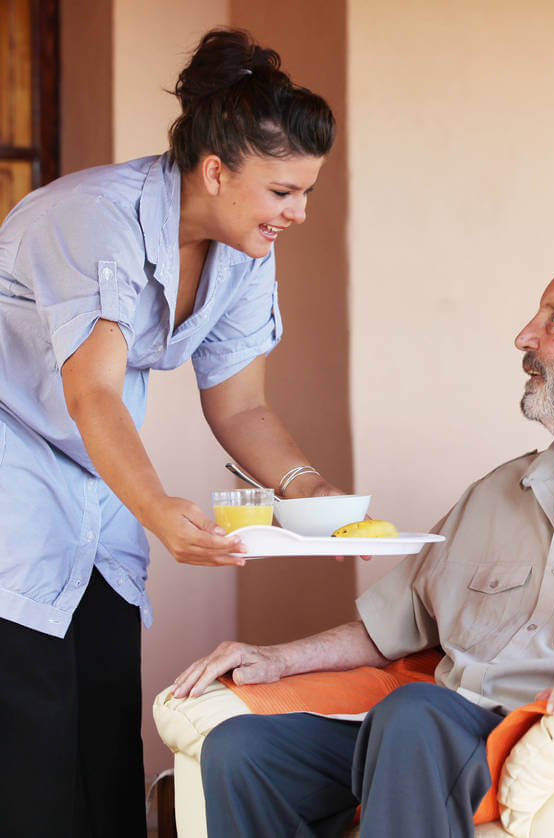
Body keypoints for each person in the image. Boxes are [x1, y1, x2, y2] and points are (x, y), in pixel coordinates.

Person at [172, 249, 554, 838]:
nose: (525, 337)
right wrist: (278, 659)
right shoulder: (495, 492)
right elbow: (391, 625)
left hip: (540, 731)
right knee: (240, 750)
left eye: (552, 321)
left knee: (415, 714)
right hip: (431, 732)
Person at [0, 27, 347, 838]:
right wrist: (159, 510)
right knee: (30, 747)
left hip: (97, 478)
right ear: (216, 170)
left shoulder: (242, 247)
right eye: (282, 192)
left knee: (108, 733)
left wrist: (310, 494)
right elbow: (90, 393)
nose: (297, 214)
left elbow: (239, 408)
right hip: (13, 471)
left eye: (306, 193)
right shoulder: (92, 219)